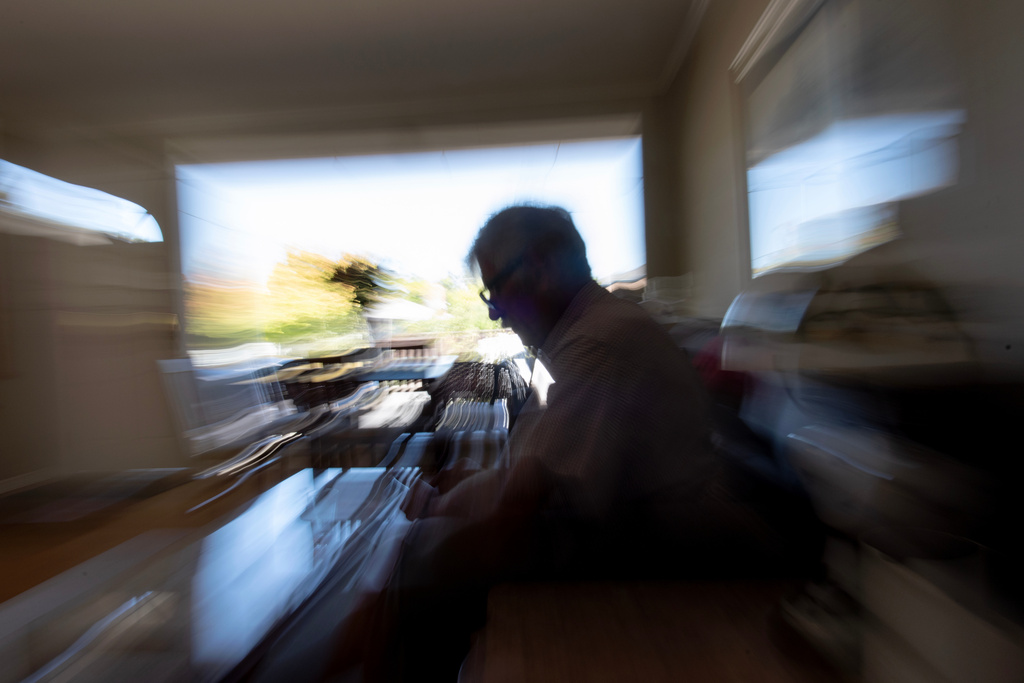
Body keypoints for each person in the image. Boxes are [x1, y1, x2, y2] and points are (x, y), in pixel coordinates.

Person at [326, 204, 784, 682]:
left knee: (423, 565)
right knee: (424, 554)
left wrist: (406, 570)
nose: (495, 313)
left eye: (495, 289)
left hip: (680, 549)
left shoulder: (598, 343)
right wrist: (456, 500)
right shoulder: (590, 331)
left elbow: (520, 503)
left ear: (539, 269)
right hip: (651, 527)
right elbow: (528, 474)